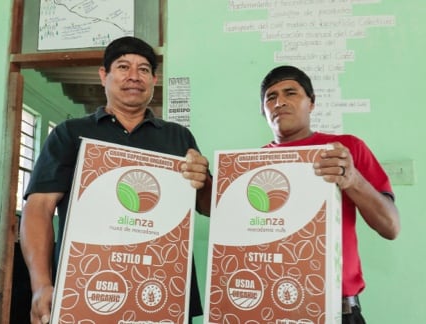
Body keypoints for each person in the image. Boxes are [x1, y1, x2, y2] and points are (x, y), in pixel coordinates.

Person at [20, 36, 212, 324]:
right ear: (103, 75)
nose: (134, 76)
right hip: (84, 286)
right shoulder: (69, 133)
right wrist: (40, 285)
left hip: (161, 291)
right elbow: (39, 208)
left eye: (144, 69)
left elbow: (208, 206)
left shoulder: (178, 136)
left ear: (154, 79)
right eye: (123, 67)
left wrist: (204, 180)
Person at [259, 65, 400, 323]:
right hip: (271, 307)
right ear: (263, 111)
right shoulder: (253, 165)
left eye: (291, 93)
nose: (280, 102)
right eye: (271, 97)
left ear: (311, 103)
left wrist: (353, 180)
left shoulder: (346, 149)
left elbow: (391, 226)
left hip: (339, 310)